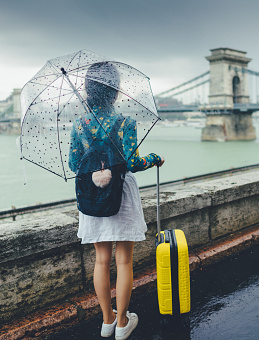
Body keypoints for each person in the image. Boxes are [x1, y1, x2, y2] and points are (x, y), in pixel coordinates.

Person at [69, 62, 164, 339]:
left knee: (101, 260)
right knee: (124, 261)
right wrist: (154, 158)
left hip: (92, 195)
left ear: (88, 91)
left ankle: (106, 319)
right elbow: (133, 163)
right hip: (121, 192)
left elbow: (76, 163)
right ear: (115, 92)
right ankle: (123, 322)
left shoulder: (79, 124)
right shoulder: (126, 123)